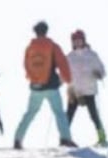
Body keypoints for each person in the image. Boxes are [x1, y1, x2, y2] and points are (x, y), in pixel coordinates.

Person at [13, 21, 77, 149]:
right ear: (46, 31)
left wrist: (32, 78)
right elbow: (62, 63)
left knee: (30, 113)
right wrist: (68, 79)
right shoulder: (52, 46)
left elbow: (25, 65)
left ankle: (18, 139)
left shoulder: (30, 47)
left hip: (35, 87)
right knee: (59, 113)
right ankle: (65, 138)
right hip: (51, 87)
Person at [66, 29, 108, 147]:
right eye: (75, 41)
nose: (77, 43)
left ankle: (102, 137)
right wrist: (65, 84)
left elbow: (102, 70)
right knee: (68, 115)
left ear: (83, 41)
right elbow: (64, 73)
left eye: (79, 40)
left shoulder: (92, 55)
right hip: (74, 90)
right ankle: (64, 138)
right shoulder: (69, 57)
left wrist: (99, 74)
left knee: (94, 115)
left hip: (89, 90)